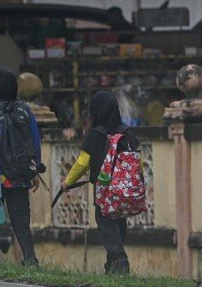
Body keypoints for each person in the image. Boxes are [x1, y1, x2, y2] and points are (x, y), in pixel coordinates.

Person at [61, 91, 139, 274]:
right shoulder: (127, 134)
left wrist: (67, 182)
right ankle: (111, 269)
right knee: (118, 229)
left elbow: (82, 163)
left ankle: (121, 265)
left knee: (108, 230)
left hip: (104, 194)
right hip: (124, 192)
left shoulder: (95, 135)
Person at [0, 68, 42, 266]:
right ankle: (31, 261)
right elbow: (35, 141)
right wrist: (35, 170)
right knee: (21, 223)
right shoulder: (25, 110)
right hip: (21, 175)